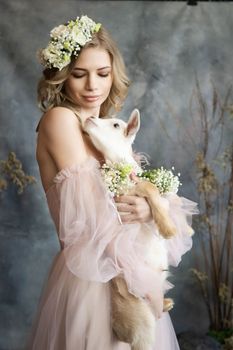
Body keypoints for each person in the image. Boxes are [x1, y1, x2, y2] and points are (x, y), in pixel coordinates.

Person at [25, 15, 198, 350]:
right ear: (62, 76)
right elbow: (94, 218)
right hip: (93, 279)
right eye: (79, 74)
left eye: (102, 74)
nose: (93, 86)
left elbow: (141, 204)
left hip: (128, 271)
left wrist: (152, 209)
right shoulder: (61, 120)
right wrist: (143, 277)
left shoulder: (107, 129)